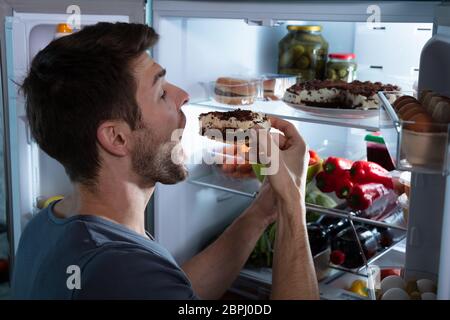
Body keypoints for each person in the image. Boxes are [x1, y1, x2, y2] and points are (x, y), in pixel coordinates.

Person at [12, 22, 319, 300]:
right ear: (117, 138)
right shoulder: (120, 271)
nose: (183, 95)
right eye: (161, 92)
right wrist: (293, 202)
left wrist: (262, 210)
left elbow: (177, 291)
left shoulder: (46, 226)